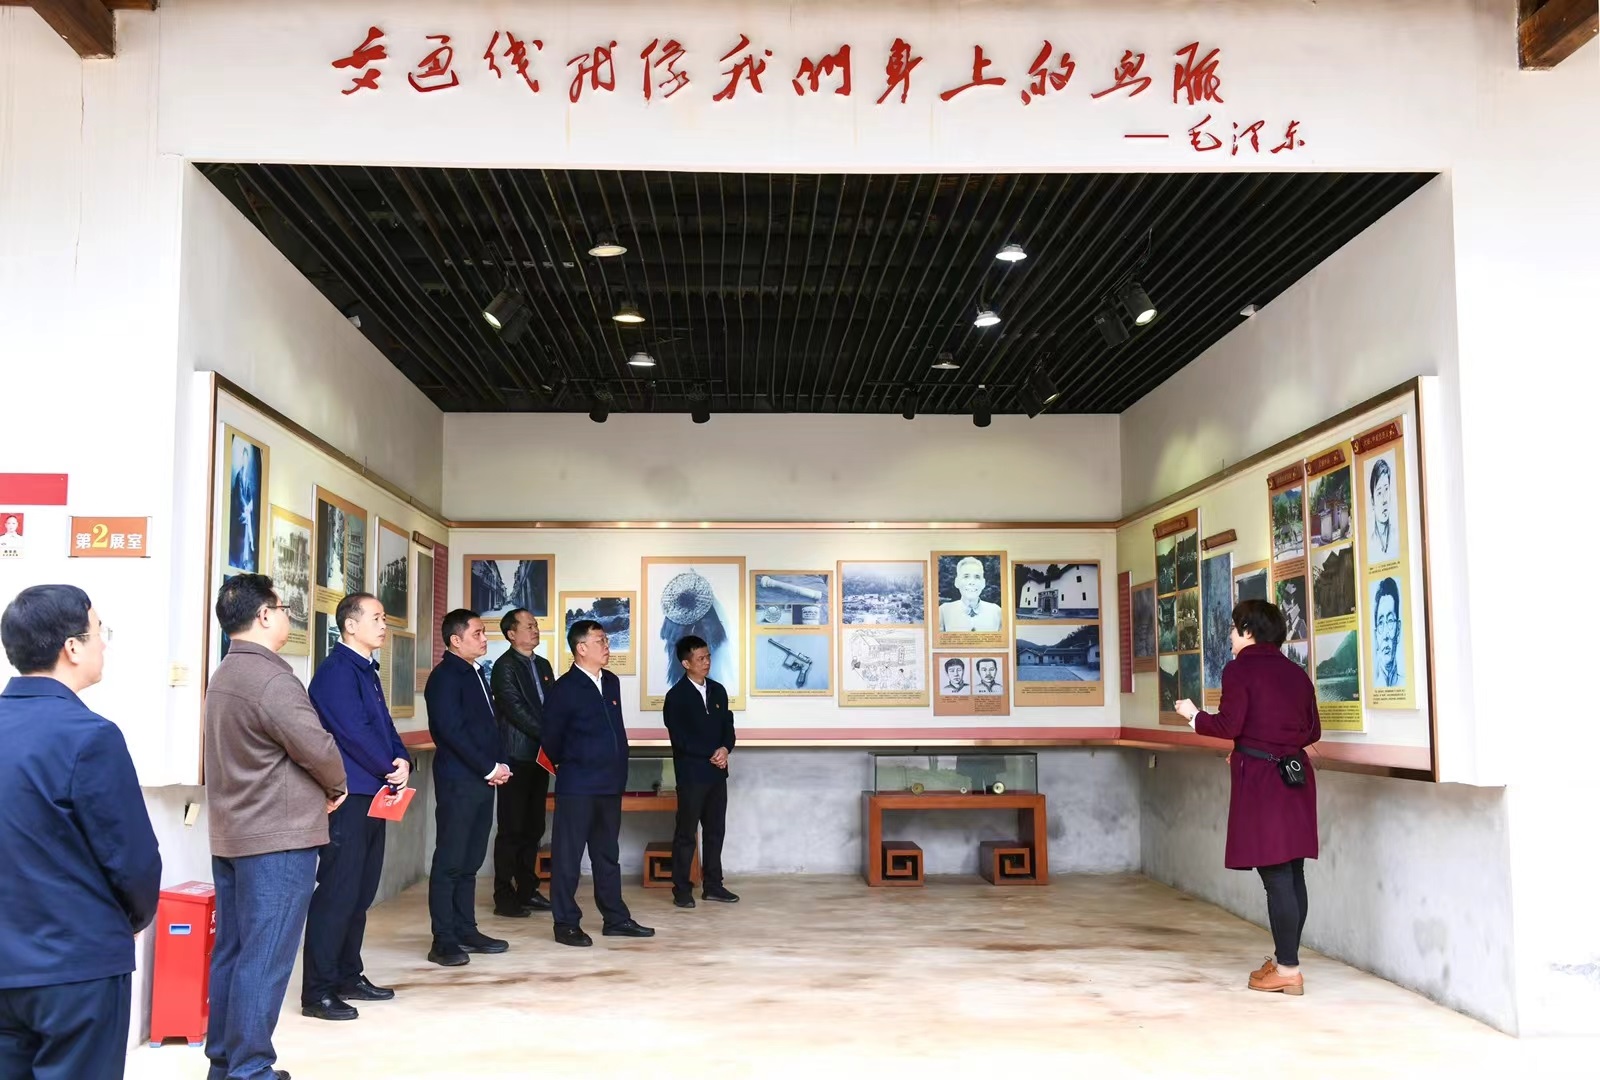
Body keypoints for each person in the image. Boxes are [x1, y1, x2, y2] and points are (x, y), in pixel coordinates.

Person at [0, 585, 161, 1080]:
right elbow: (133, 862)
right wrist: (131, 921)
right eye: (99, 632)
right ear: (71, 647)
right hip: (77, 968)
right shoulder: (90, 736)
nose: (103, 643)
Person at [205, 574, 348, 1080]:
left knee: (234, 953)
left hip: (235, 831)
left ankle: (225, 1063)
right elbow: (317, 747)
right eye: (283, 608)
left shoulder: (225, 673)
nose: (287, 616)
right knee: (264, 958)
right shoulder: (270, 679)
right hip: (278, 837)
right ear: (264, 615)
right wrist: (337, 786)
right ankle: (251, 1069)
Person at [1175, 598, 1319, 996]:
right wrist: (1257, 745)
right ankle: (1287, 960)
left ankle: (1287, 970)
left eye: (1234, 628)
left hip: (1262, 781)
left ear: (1249, 631)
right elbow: (1313, 731)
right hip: (1296, 777)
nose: (1230, 635)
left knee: (1275, 875)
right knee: (1292, 871)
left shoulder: (1239, 669)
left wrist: (1192, 715)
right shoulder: (1297, 673)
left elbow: (1228, 724)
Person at [301, 592, 412, 1021]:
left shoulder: (366, 669)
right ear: (350, 625)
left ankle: (348, 974)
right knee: (338, 892)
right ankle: (318, 991)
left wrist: (401, 759)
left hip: (375, 792)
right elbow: (353, 732)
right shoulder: (336, 673)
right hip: (348, 796)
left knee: (361, 891)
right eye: (377, 618)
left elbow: (384, 726)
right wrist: (388, 766)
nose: (384, 625)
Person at [542, 619, 655, 945]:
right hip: (578, 785)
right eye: (601, 641)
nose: (608, 646)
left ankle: (615, 918)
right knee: (568, 856)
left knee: (607, 854)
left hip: (610, 783)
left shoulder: (611, 682)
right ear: (581, 648)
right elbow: (550, 739)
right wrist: (576, 762)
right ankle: (565, 923)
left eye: (606, 640)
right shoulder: (564, 688)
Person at [423, 609, 511, 966]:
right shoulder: (445, 677)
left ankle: (466, 929)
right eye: (477, 633)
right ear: (455, 640)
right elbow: (451, 732)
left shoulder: (476, 672)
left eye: (484, 632)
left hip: (482, 779)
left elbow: (491, 725)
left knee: (471, 859)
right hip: (459, 781)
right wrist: (489, 767)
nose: (484, 638)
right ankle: (443, 939)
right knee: (450, 859)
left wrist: (501, 764)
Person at [663, 635, 739, 909]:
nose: (707, 662)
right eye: (700, 658)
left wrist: (725, 749)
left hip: (717, 774)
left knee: (715, 831)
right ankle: (682, 889)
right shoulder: (676, 697)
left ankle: (713, 886)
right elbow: (681, 740)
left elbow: (728, 728)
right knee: (686, 834)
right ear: (686, 663)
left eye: (708, 656)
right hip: (692, 776)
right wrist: (712, 753)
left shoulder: (718, 691)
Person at [490, 607, 556, 918]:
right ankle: (504, 895)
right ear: (511, 633)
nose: (534, 629)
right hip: (516, 755)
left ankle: (528, 890)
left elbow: (552, 704)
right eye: (528, 626)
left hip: (541, 757)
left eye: (535, 625)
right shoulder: (504, 667)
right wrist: (549, 733)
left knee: (534, 827)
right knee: (511, 828)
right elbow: (515, 709)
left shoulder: (542, 665)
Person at [938, 557, 1002, 632]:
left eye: (977, 577)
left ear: (983, 583)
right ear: (957, 582)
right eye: (966, 576)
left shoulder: (996, 611)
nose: (972, 582)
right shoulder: (944, 611)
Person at [1372, 577, 1405, 688]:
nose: (1385, 635)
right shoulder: (1373, 686)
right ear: (1376, 635)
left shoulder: (1405, 683)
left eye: (1390, 620)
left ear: (1398, 630)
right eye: (1381, 623)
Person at [1368, 457, 1399, 563]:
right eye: (1379, 493)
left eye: (1386, 489)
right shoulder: (1371, 542)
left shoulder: (1396, 535)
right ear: (1372, 501)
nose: (1384, 500)